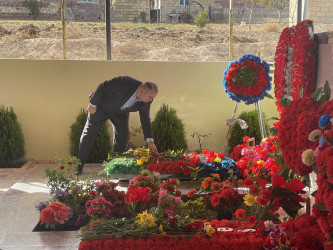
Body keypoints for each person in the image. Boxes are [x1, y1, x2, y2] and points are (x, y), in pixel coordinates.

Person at [77, 75, 158, 175]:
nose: (150, 100)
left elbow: (145, 119)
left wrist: (150, 141)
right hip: (101, 107)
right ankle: (79, 166)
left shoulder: (146, 102)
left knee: (123, 136)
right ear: (142, 90)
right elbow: (103, 86)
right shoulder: (124, 81)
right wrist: (93, 104)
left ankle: (114, 166)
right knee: (89, 133)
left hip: (120, 113)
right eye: (150, 97)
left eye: (152, 98)